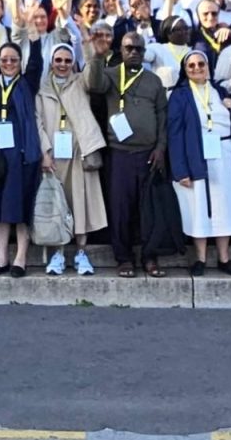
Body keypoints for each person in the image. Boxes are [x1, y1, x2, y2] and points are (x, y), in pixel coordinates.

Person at [83, 29, 171, 277]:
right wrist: (97, 57)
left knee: (148, 210)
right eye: (129, 48)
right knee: (120, 209)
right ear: (121, 51)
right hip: (119, 154)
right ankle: (123, 258)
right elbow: (93, 84)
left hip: (148, 154)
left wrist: (160, 148)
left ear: (144, 52)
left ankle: (149, 257)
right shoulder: (111, 75)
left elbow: (162, 117)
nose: (133, 52)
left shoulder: (153, 81)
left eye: (138, 49)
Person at [166, 50, 231, 276]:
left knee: (225, 207)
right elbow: (174, 134)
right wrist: (180, 169)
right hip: (196, 155)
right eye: (191, 66)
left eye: (201, 64)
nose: (197, 68)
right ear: (185, 70)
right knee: (199, 207)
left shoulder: (219, 91)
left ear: (208, 66)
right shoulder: (180, 95)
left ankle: (224, 257)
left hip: (225, 154)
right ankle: (200, 258)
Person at [35, 43, 108, 275]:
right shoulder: (42, 88)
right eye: (58, 60)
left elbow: (93, 75)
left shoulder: (80, 81)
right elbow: (37, 122)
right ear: (51, 62)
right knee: (57, 204)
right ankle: (58, 252)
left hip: (79, 152)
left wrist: (90, 48)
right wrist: (44, 152)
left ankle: (81, 252)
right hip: (54, 156)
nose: (63, 64)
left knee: (80, 204)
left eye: (68, 60)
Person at [0, 41, 44, 277]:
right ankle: (1, 257)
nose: (9, 63)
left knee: (20, 205)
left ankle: (20, 258)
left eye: (13, 59)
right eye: (4, 59)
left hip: (20, 153)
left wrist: (34, 40)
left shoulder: (27, 83)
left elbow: (36, 62)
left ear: (20, 62)